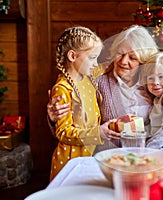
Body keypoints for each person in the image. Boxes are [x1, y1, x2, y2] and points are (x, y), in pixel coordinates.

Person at [47, 25, 163, 151]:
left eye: (132, 57)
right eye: (120, 53)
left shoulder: (154, 82)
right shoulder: (99, 81)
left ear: (144, 60)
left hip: (153, 159)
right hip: (111, 160)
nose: (123, 61)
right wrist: (55, 119)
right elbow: (73, 121)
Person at [49, 26, 115, 182]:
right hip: (70, 162)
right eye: (92, 57)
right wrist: (97, 133)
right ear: (72, 56)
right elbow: (63, 132)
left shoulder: (88, 76)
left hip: (88, 158)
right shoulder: (63, 89)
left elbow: (107, 65)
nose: (95, 63)